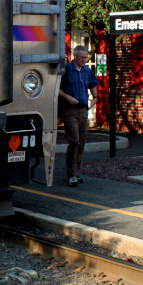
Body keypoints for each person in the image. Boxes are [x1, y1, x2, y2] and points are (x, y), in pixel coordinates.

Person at [58, 45, 98, 187]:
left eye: (85, 57)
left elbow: (93, 84)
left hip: (83, 110)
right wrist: (67, 97)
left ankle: (76, 171)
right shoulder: (67, 70)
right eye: (81, 57)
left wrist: (95, 97)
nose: (84, 60)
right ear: (75, 56)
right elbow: (57, 89)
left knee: (81, 142)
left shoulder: (87, 71)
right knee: (74, 141)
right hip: (70, 111)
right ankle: (70, 173)